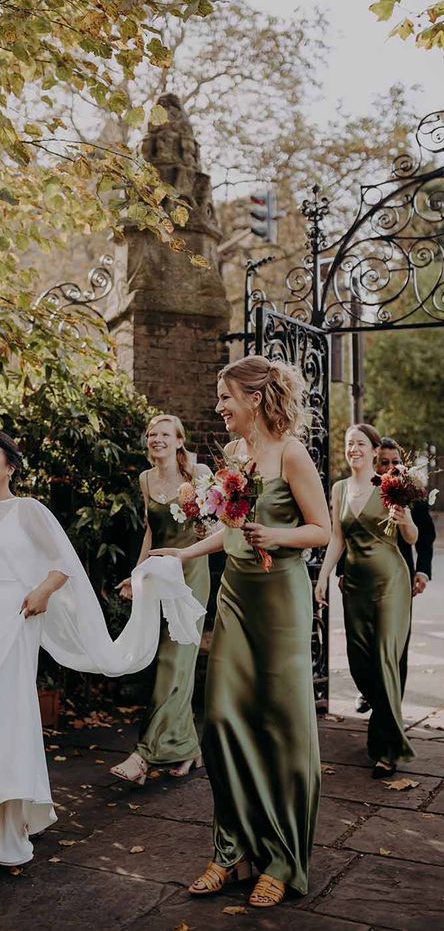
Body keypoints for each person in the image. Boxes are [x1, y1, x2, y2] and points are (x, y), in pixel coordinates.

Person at [0, 430, 206, 896]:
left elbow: (63, 563)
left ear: (10, 467)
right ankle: (9, 825)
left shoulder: (28, 510)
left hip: (13, 626)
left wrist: (42, 591)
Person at [152, 356, 330, 908]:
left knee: (280, 724)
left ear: (254, 398)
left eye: (226, 397)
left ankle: (281, 858)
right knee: (223, 718)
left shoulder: (292, 453)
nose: (219, 407)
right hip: (235, 596)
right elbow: (228, 531)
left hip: (280, 600)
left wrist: (276, 537)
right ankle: (231, 850)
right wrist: (184, 550)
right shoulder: (233, 456)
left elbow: (322, 529)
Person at [110, 414, 210, 785]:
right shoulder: (145, 479)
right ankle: (188, 747)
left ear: (179, 440)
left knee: (175, 658)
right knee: (169, 661)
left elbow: (213, 527)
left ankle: (145, 755)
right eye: (152, 434)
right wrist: (137, 575)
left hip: (191, 574)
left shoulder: (198, 473)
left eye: (165, 434)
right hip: (159, 572)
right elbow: (152, 530)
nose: (157, 439)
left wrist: (198, 537)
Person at [316, 425, 417, 777]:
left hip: (391, 581)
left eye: (360, 443)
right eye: (349, 444)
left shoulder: (391, 485)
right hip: (355, 585)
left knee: (385, 657)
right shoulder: (339, 489)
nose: (353, 449)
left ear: (375, 451)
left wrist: (404, 521)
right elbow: (336, 538)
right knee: (361, 661)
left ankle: (387, 749)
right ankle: (381, 707)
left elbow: (412, 535)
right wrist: (323, 576)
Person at [350, 436, 437, 711]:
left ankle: (391, 708)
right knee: (364, 643)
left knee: (396, 643)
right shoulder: (362, 491)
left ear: (402, 464)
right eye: (383, 462)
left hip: (401, 577)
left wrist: (422, 572)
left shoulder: (413, 493)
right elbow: (348, 532)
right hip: (364, 577)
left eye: (395, 462)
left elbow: (425, 539)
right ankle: (370, 690)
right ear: (375, 463)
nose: (389, 467)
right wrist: (342, 571)